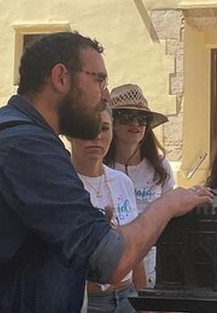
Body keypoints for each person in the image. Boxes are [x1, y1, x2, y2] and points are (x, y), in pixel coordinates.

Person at [0, 31, 213, 312]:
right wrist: (168, 204)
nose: (105, 96)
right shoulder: (27, 146)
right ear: (61, 77)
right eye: (99, 80)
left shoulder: (9, 131)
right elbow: (110, 261)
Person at [70, 106, 145, 313]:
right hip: (86, 301)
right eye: (87, 128)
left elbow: (136, 248)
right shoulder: (63, 184)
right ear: (70, 133)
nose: (96, 136)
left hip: (127, 298)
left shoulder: (122, 181)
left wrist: (143, 298)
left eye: (104, 128)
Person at [104, 83, 175, 288]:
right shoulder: (100, 167)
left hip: (153, 261)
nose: (136, 123)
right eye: (127, 116)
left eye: (142, 118)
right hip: (113, 262)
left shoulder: (161, 167)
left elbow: (169, 218)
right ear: (113, 122)